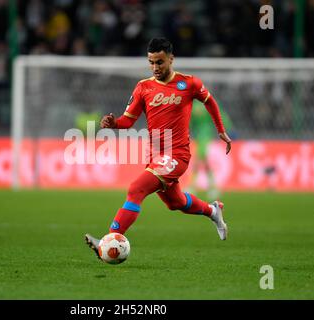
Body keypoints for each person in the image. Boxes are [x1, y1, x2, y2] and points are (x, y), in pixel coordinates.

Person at [85, 37, 232, 259]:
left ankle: (110, 239)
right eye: (151, 62)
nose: (155, 67)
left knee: (136, 188)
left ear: (171, 59)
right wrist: (113, 124)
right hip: (155, 155)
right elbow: (127, 120)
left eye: (160, 62)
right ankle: (213, 211)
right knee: (176, 203)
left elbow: (210, 101)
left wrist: (220, 130)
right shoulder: (143, 87)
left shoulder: (189, 83)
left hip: (177, 155)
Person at [186, 100, 233, 200]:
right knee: (203, 160)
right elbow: (220, 115)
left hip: (204, 135)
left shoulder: (194, 105)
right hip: (202, 134)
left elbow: (189, 121)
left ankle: (194, 186)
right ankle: (212, 187)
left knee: (200, 158)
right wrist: (227, 127)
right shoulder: (206, 103)